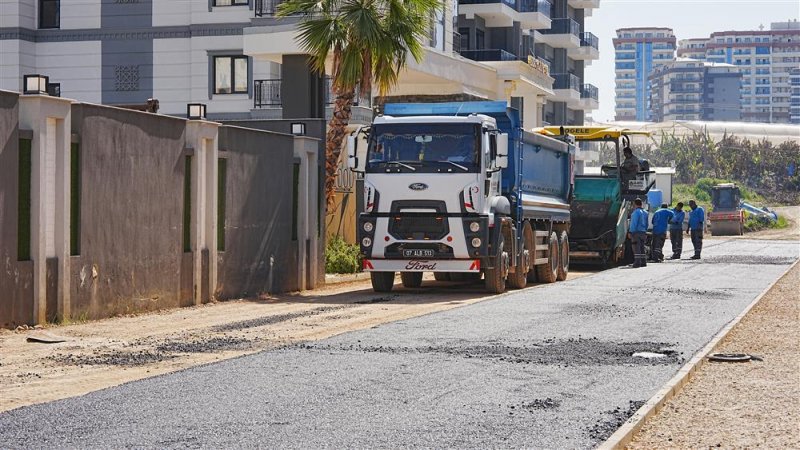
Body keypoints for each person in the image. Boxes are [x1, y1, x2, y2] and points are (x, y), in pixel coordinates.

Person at [628, 198, 649, 268]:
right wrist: (645, 231)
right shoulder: (645, 212)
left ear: (634, 204)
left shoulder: (635, 213)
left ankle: (637, 263)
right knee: (642, 247)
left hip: (636, 232)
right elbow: (647, 224)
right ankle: (643, 262)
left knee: (636, 247)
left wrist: (631, 232)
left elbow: (633, 223)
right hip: (643, 232)